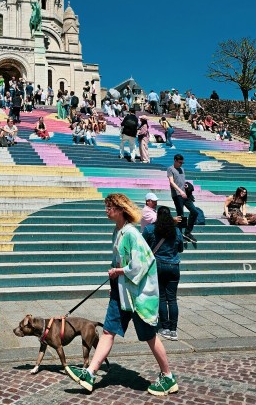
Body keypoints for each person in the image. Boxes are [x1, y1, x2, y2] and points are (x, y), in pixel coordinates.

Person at [65, 193, 178, 396]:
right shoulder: (116, 232)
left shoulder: (132, 234)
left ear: (120, 209)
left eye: (109, 207)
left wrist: (118, 272)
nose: (106, 210)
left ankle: (168, 377)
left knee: (150, 336)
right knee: (108, 331)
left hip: (138, 296)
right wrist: (114, 279)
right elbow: (117, 260)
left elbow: (141, 263)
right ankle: (90, 373)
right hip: (121, 292)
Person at [143, 206, 184, 342]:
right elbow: (180, 248)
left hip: (158, 265)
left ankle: (164, 327)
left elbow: (143, 248)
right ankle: (173, 329)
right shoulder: (176, 230)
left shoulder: (150, 229)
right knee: (172, 299)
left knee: (161, 297)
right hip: (174, 266)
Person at [167, 154, 198, 244]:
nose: (181, 164)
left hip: (185, 194)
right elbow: (172, 182)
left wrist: (186, 187)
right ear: (175, 160)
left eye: (182, 162)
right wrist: (180, 191)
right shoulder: (170, 169)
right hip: (177, 194)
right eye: (180, 162)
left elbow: (181, 181)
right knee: (180, 214)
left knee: (194, 211)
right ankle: (179, 234)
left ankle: (187, 232)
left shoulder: (182, 169)